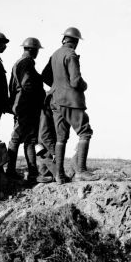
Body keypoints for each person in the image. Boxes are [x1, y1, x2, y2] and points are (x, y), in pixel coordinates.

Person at [42, 27, 98, 184]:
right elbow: (75, 81)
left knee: (61, 138)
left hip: (55, 101)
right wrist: (84, 85)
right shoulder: (71, 54)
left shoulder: (55, 54)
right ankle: (80, 171)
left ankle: (59, 175)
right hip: (70, 101)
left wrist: (57, 86)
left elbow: (45, 76)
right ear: (76, 42)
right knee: (85, 132)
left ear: (64, 40)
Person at [6, 37, 46, 181]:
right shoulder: (26, 63)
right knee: (17, 139)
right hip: (26, 107)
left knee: (30, 139)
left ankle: (32, 173)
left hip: (22, 106)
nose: (37, 53)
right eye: (37, 50)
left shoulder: (20, 63)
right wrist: (40, 96)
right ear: (33, 50)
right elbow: (27, 85)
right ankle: (10, 171)